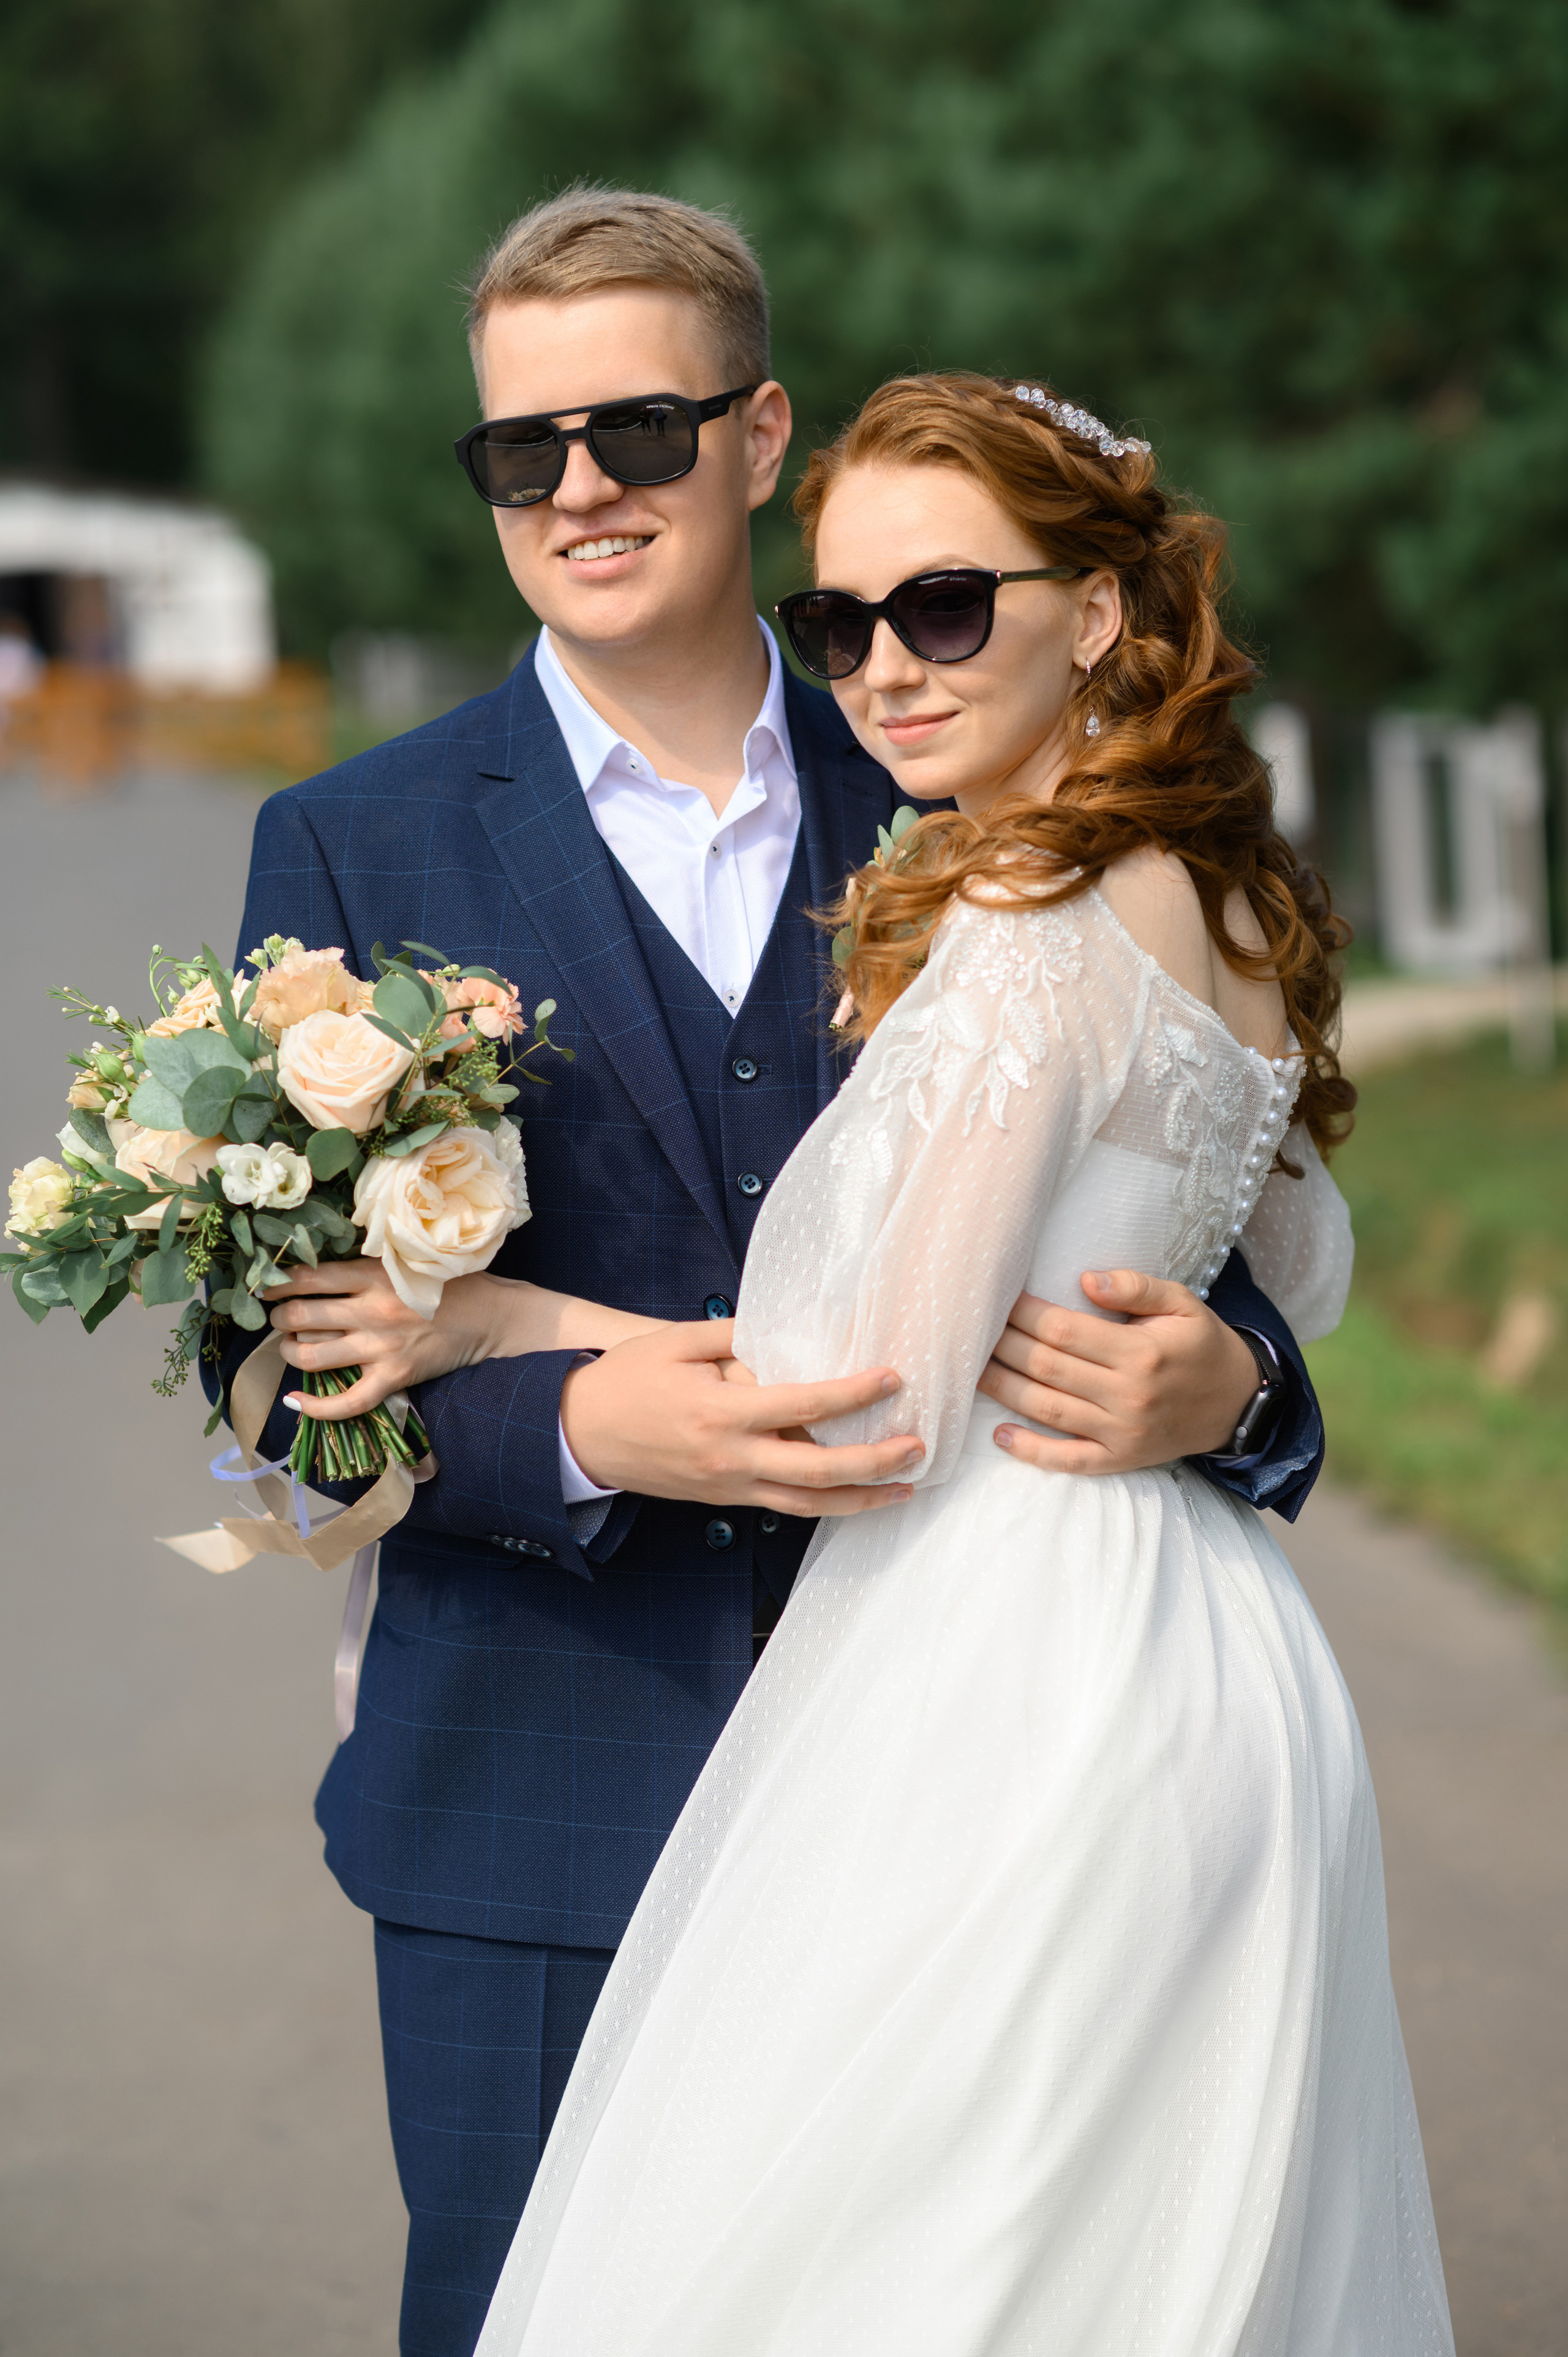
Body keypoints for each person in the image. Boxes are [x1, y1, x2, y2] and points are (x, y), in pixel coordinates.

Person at [228, 191, 1333, 2357]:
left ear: (758, 435)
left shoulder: (970, 749)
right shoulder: (357, 843)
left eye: (633, 432)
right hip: (529, 1820)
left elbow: (1194, 1188)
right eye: (515, 452)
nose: (572, 492)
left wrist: (1244, 1391)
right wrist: (571, 1420)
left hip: (980, 1795)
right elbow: (260, 1396)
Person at [463, 371, 1453, 2355]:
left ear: (1096, 608)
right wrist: (1230, 1378)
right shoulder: (1234, 886)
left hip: (1002, 1681)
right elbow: (1306, 1266)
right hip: (1209, 1642)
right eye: (841, 625)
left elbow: (866, 1393)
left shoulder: (1029, 899)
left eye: (943, 608)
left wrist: (503, 1318)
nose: (885, 671)